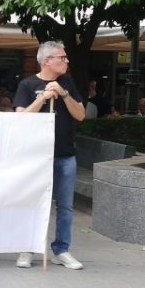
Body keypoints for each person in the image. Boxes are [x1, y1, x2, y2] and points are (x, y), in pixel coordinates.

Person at [14, 41, 86, 270]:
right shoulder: (27, 84)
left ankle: (62, 249)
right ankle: (27, 248)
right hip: (36, 156)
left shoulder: (68, 83)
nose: (66, 61)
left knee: (65, 206)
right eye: (62, 58)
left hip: (64, 155)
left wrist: (64, 94)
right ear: (47, 61)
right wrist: (42, 98)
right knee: (32, 203)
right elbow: (22, 118)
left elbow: (81, 115)